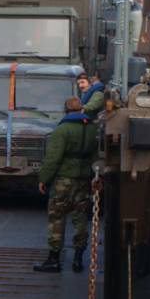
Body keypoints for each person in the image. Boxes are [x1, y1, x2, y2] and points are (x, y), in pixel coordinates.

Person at [34, 96, 97, 273]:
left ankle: (54, 259)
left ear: (66, 110)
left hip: (63, 179)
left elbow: (53, 158)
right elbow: (95, 156)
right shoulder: (92, 129)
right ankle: (78, 259)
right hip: (83, 179)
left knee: (57, 217)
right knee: (80, 218)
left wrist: (43, 179)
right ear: (81, 109)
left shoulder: (62, 130)